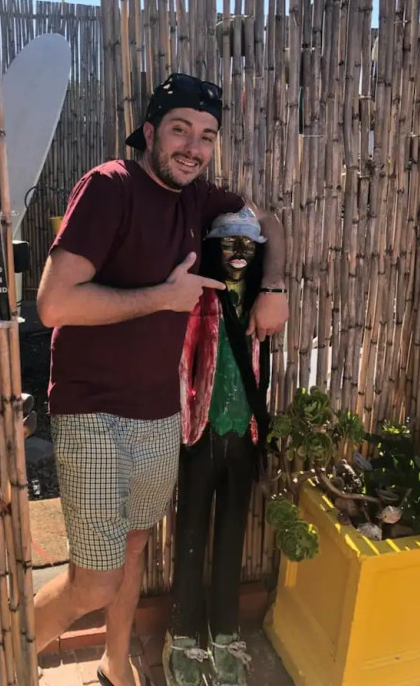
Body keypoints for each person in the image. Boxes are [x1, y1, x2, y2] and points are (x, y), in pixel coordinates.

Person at [35, 73, 288, 686]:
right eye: (180, 129)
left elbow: (269, 220)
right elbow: (54, 303)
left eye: (206, 135)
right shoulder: (109, 187)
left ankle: (115, 664)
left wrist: (275, 286)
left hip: (160, 415)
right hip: (93, 413)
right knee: (93, 583)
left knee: (133, 549)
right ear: (149, 132)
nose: (193, 147)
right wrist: (162, 298)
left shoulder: (197, 199)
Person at [164, 208, 273, 686]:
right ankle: (182, 633)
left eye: (247, 245)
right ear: (214, 248)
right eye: (229, 244)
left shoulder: (261, 303)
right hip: (202, 433)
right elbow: (182, 364)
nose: (239, 254)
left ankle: (225, 630)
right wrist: (186, 424)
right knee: (190, 535)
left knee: (232, 534)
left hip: (244, 434)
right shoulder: (201, 301)